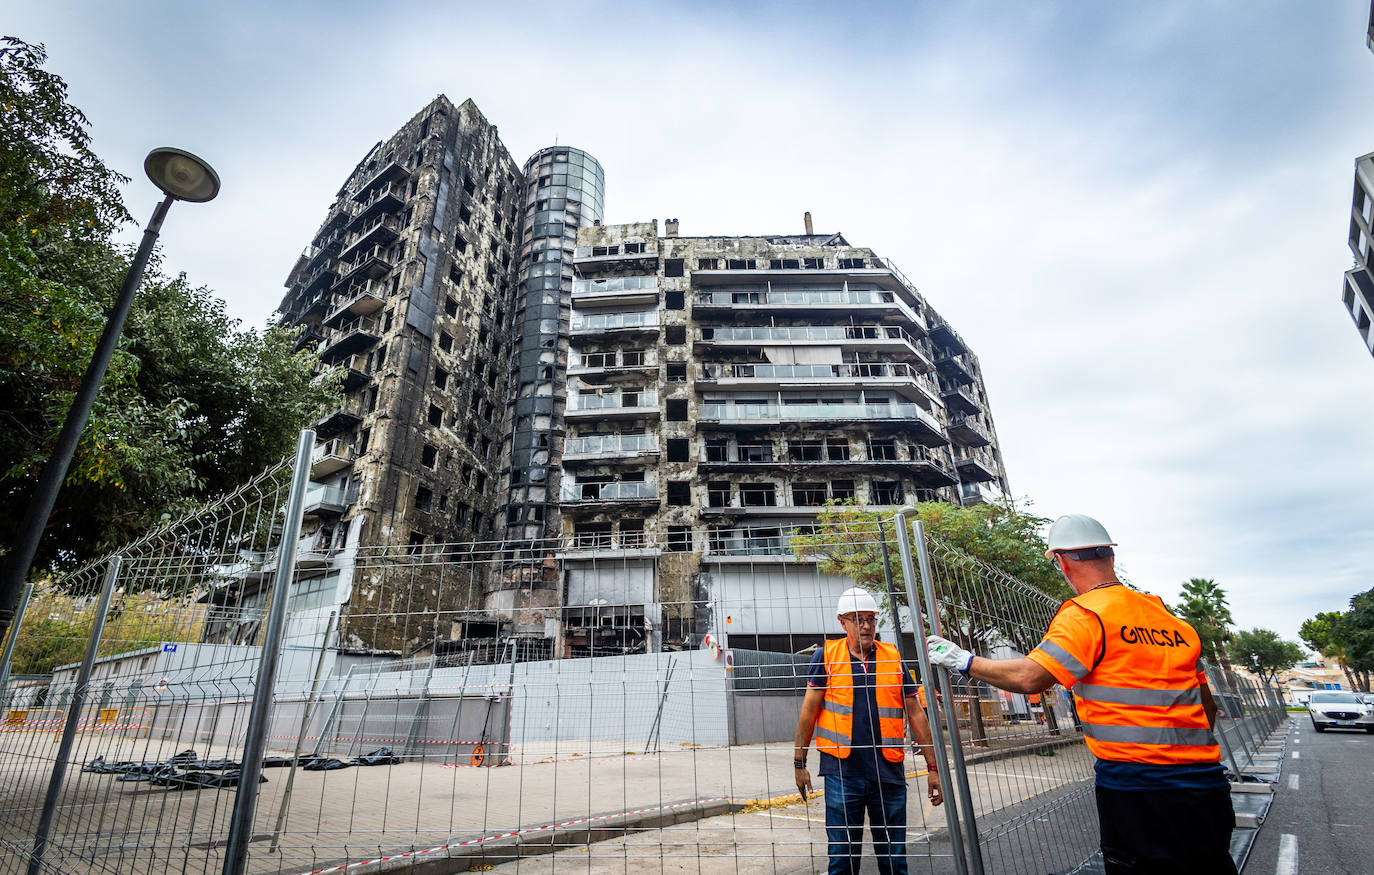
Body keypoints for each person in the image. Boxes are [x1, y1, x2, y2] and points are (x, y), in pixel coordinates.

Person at [926, 514, 1237, 874]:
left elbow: (1031, 677)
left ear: (1061, 561)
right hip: (1206, 784)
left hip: (1136, 788)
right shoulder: (1169, 619)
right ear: (1111, 557)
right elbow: (1205, 705)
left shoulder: (1086, 615)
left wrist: (962, 660)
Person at [794, 587, 944, 875]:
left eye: (871, 619)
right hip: (842, 774)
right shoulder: (826, 657)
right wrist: (799, 763)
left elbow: (916, 714)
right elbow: (808, 713)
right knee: (842, 860)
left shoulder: (893, 658)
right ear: (842, 622)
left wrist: (932, 767)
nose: (866, 626)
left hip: (888, 775)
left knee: (894, 860)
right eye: (857, 619)